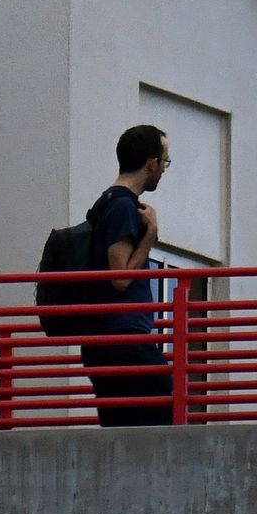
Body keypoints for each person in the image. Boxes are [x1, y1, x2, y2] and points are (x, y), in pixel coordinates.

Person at [80, 123, 173, 426]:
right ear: (151, 163)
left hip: (106, 340)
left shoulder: (106, 203)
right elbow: (119, 277)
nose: (163, 170)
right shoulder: (121, 207)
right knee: (169, 404)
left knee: (123, 428)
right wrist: (151, 235)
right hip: (123, 339)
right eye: (165, 162)